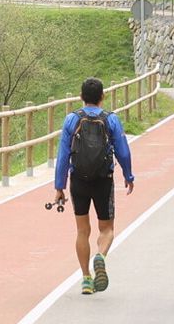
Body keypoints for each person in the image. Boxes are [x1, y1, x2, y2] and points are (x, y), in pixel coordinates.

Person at [53, 77, 135, 295]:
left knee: (82, 230)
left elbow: (63, 155)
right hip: (103, 180)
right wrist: (128, 175)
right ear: (102, 97)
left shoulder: (71, 119)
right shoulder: (111, 120)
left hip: (78, 180)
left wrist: (59, 185)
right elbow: (123, 151)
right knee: (106, 229)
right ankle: (100, 255)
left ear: (81, 97)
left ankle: (86, 278)